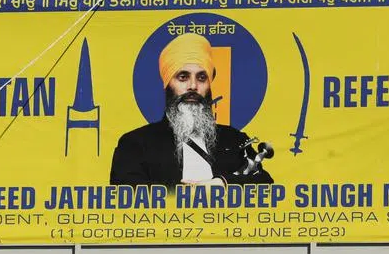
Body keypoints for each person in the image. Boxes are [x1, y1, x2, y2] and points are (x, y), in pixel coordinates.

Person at [110, 32, 273, 186]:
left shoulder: (234, 140)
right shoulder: (136, 143)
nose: (193, 86)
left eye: (202, 78)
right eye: (183, 77)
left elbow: (266, 184)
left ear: (209, 86)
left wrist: (222, 184)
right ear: (168, 84)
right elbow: (125, 195)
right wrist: (188, 196)